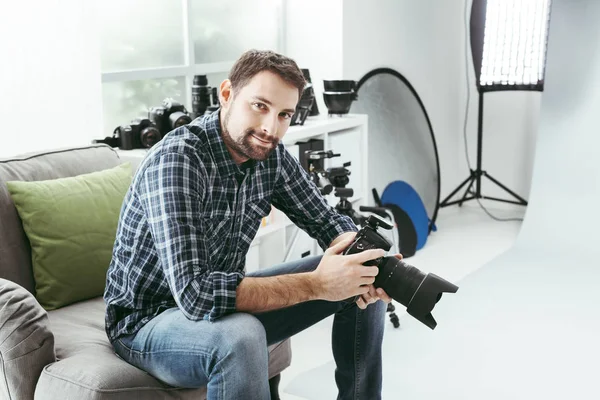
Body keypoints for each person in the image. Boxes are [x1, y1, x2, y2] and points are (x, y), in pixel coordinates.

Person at [104, 49, 398, 400]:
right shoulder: (179, 160)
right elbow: (195, 295)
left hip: (216, 300)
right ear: (226, 94)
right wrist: (318, 285)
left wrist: (363, 253)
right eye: (260, 106)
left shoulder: (268, 156)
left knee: (361, 270)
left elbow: (326, 220)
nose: (270, 128)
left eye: (284, 114)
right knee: (240, 337)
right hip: (146, 323)